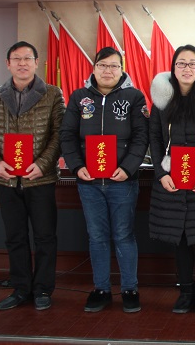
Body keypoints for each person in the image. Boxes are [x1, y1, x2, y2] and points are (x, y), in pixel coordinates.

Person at [59, 47, 149, 313]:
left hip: (122, 181)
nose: (108, 71)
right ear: (94, 68)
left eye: (113, 66)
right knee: (97, 236)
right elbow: (67, 135)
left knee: (123, 235)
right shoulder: (79, 97)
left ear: (122, 69)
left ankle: (130, 289)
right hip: (89, 182)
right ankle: (101, 289)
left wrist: (128, 168)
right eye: (102, 65)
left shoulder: (134, 97)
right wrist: (76, 166)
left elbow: (141, 137)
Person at [0, 41, 64, 311]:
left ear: (36, 63)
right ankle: (21, 288)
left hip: (40, 178)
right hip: (6, 178)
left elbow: (59, 134)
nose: (22, 63)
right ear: (8, 64)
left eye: (27, 58)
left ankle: (43, 289)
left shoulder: (52, 94)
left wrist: (43, 164)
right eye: (17, 59)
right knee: (14, 236)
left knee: (45, 236)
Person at [148, 45, 195, 314]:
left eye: (193, 64)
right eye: (181, 63)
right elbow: (154, 139)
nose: (187, 69)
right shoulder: (161, 101)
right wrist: (161, 174)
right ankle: (185, 293)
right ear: (173, 67)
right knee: (179, 238)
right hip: (171, 179)